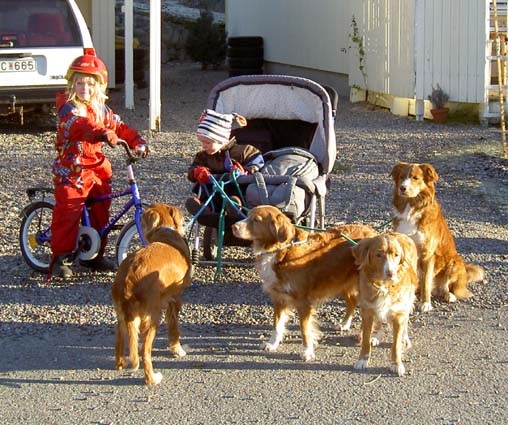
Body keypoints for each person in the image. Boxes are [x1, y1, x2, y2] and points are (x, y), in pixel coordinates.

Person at [50, 54, 149, 278]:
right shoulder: (68, 108)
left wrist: (136, 141)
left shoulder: (101, 110)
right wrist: (102, 133)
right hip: (73, 167)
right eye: (80, 82)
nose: (85, 87)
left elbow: (120, 127)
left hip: (97, 167)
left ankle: (94, 255)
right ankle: (60, 257)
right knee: (70, 207)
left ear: (99, 87)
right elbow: (79, 125)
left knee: (102, 210)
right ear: (72, 84)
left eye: (91, 83)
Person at [186, 109, 264, 225]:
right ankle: (205, 208)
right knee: (204, 187)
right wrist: (196, 172)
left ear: (222, 140)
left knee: (242, 189)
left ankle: (235, 207)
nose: (204, 146)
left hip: (235, 187)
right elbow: (192, 170)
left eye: (207, 143)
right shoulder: (203, 156)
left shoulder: (243, 151)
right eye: (202, 142)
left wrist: (245, 171)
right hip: (213, 189)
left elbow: (258, 162)